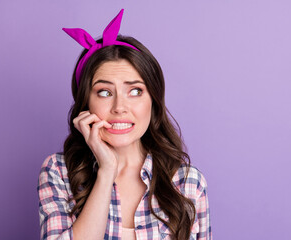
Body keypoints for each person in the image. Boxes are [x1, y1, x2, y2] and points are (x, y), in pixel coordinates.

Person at [37, 9, 211, 240]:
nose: (120, 107)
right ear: (85, 102)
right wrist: (107, 169)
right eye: (105, 92)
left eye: (135, 91)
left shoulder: (188, 183)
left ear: (154, 101)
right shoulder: (59, 172)